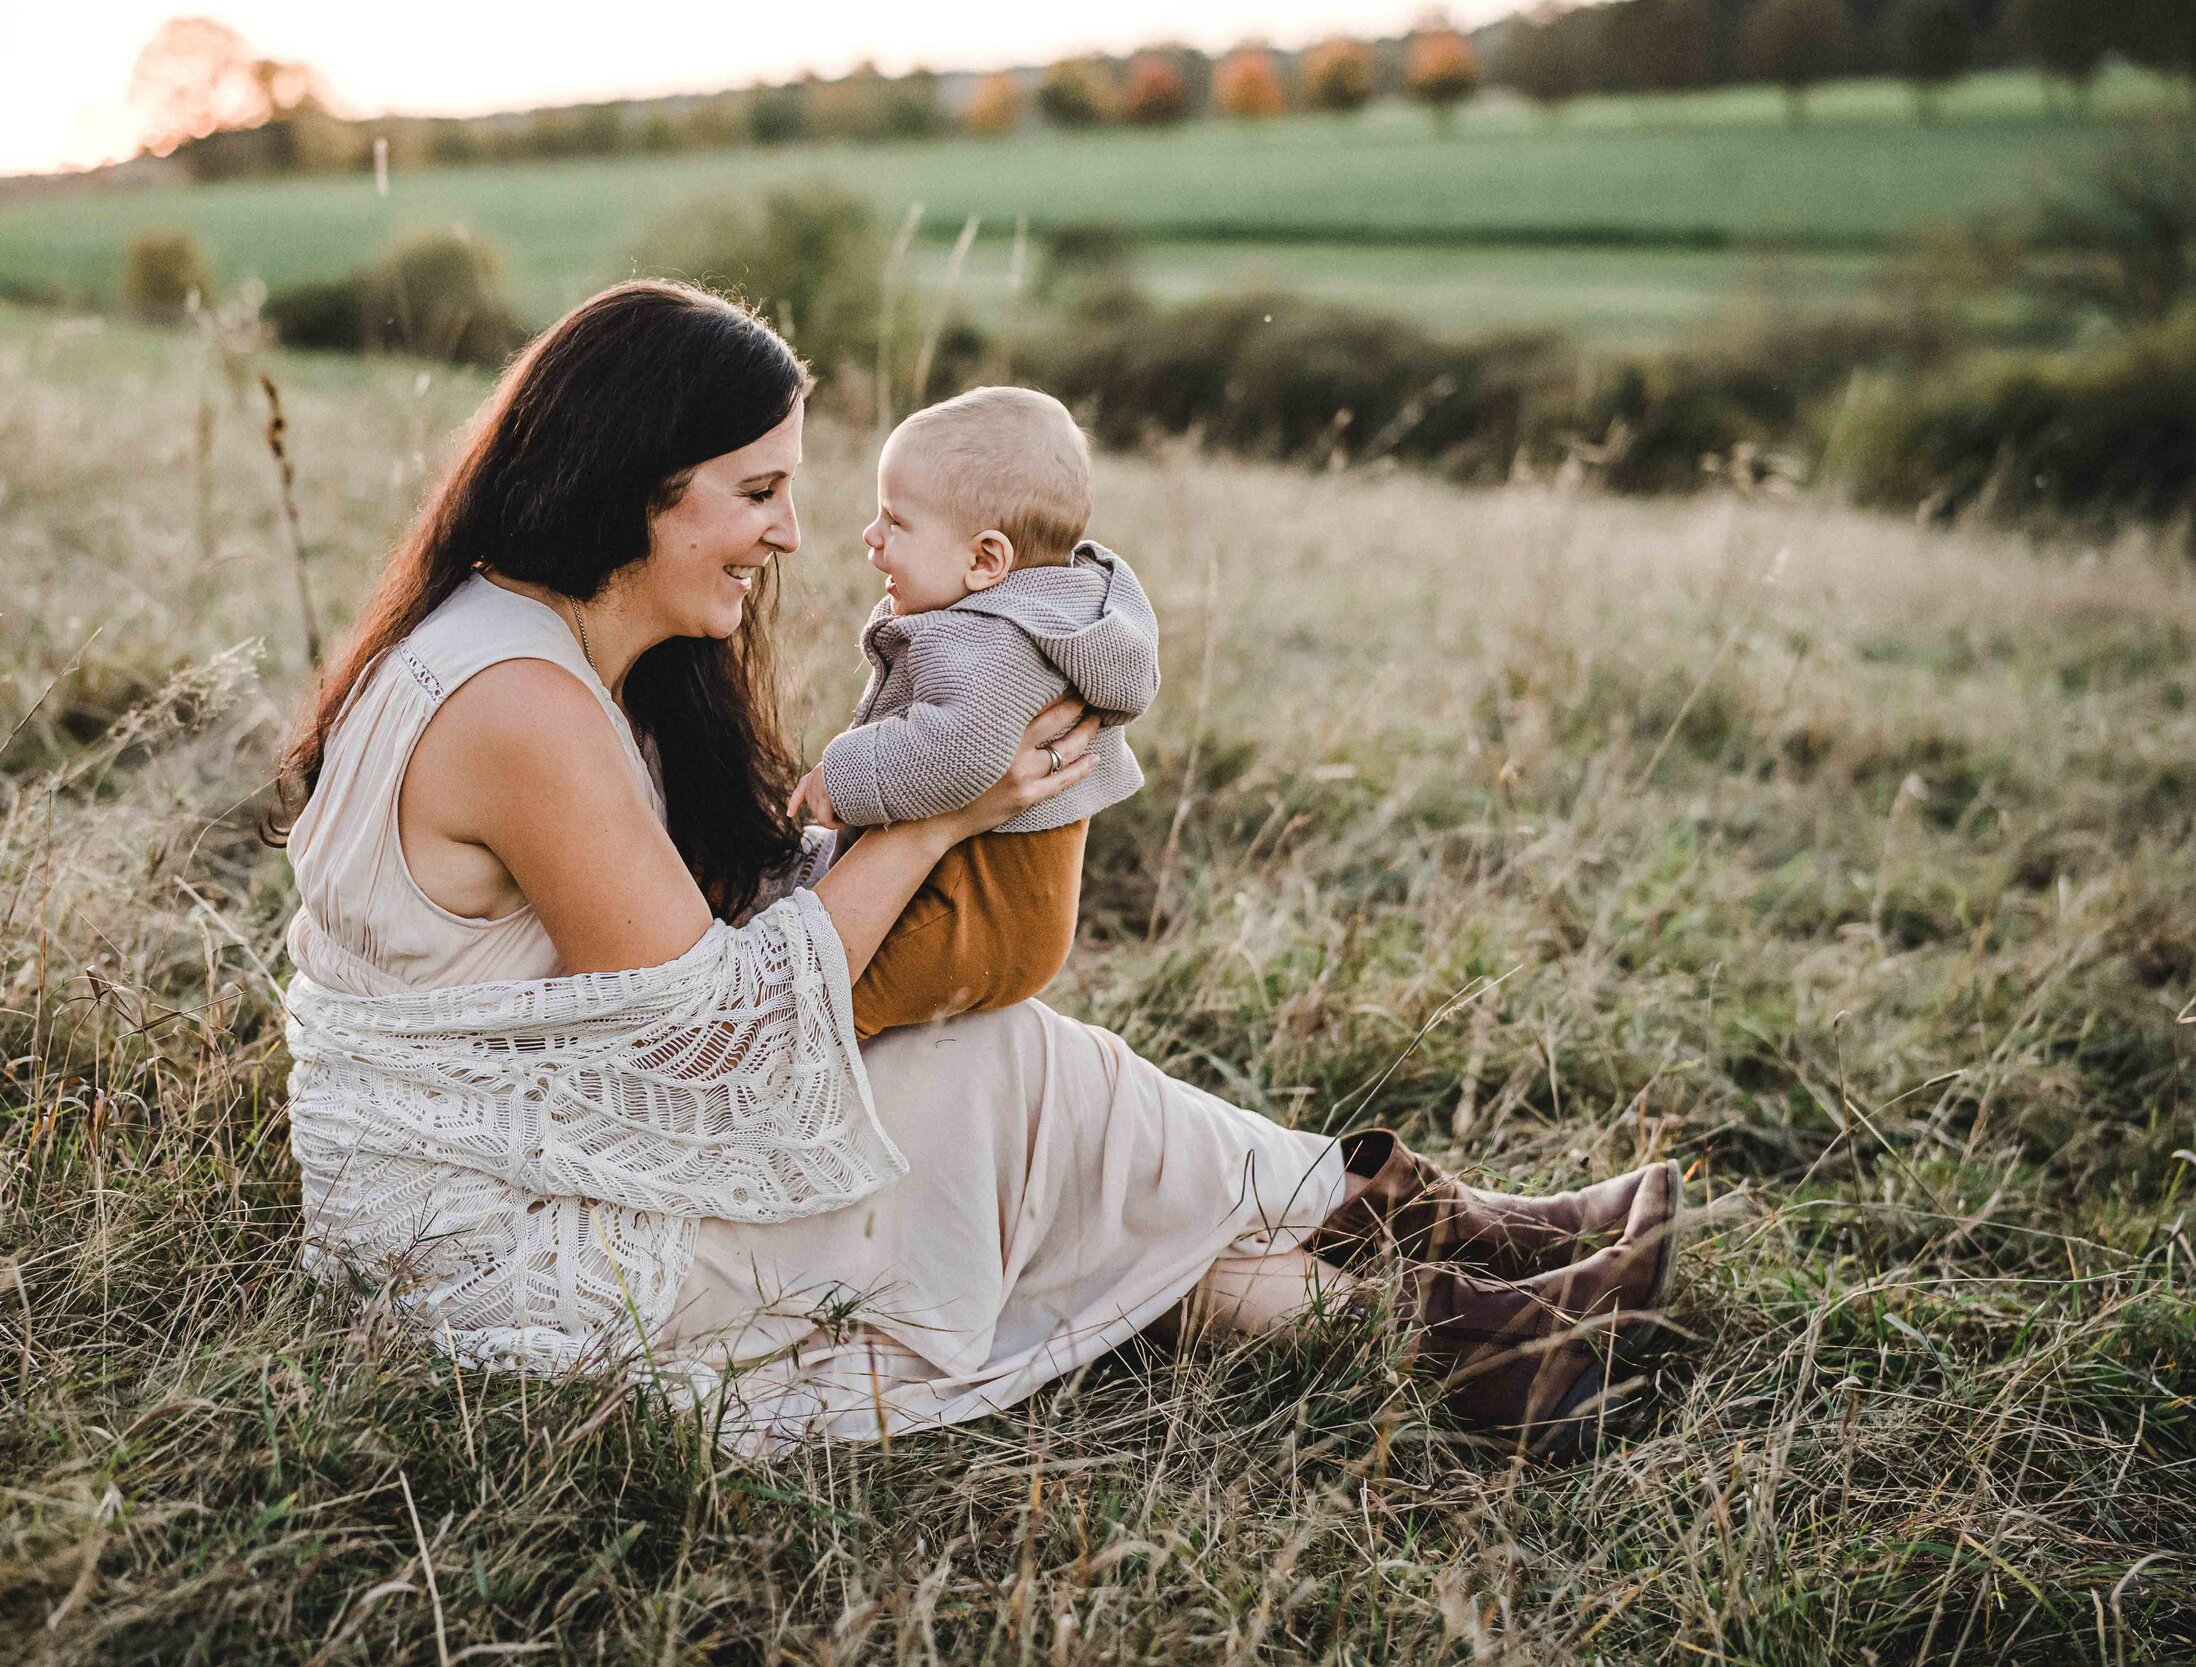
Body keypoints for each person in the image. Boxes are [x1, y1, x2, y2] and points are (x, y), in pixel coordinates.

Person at [274, 279, 1683, 1458]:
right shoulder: (516, 700)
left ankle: (1467, 1322)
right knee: (992, 1078)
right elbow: (717, 1047)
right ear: (632, 481)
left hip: (544, 1145)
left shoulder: (543, 648)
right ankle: (1447, 1262)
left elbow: (685, 981)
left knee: (995, 1089)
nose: (790, 531)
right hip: (488, 1248)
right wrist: (937, 822)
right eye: (757, 489)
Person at [787, 385, 1157, 1040]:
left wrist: (839, 777)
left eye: (895, 522)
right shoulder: (1048, 613)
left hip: (970, 917)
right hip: (1006, 916)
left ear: (986, 560)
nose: (871, 538)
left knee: (822, 1015)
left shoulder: (993, 642)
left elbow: (956, 752)